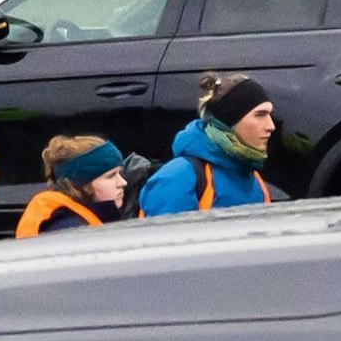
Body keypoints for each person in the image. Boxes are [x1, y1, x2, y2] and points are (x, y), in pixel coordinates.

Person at [140, 73, 276, 217]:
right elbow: (163, 238)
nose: (271, 126)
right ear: (229, 122)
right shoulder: (178, 178)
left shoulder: (255, 181)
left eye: (269, 115)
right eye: (260, 115)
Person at [16, 135, 130, 237]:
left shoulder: (79, 220)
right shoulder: (69, 231)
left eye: (119, 173)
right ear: (83, 184)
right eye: (110, 176)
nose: (123, 182)